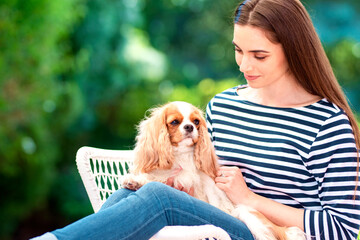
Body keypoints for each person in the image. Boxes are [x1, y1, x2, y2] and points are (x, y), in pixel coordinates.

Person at [32, 0, 360, 239]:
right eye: (238, 50)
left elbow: (344, 229)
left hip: (263, 233)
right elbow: (200, 170)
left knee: (156, 199)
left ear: (293, 49)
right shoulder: (224, 104)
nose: (245, 65)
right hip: (211, 219)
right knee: (136, 192)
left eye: (259, 55)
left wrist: (249, 199)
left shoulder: (327, 124)